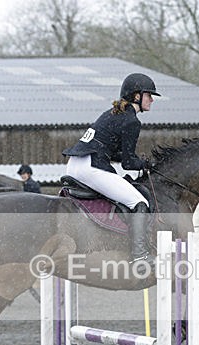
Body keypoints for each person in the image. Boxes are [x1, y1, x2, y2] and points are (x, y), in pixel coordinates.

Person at [62, 72, 160, 267]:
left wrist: (137, 161)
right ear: (137, 96)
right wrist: (147, 164)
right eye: (149, 95)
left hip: (76, 164)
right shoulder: (131, 121)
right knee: (139, 202)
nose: (152, 100)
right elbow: (128, 163)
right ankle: (139, 255)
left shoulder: (112, 113)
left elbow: (116, 154)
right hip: (90, 167)